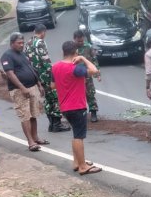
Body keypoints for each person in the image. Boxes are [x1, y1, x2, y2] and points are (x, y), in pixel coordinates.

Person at [52, 40, 103, 175]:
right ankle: (82, 166)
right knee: (79, 136)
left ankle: (77, 162)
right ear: (76, 52)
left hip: (64, 106)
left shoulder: (55, 67)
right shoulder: (76, 68)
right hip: (77, 105)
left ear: (63, 52)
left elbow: (52, 85)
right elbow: (94, 70)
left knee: (75, 133)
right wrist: (84, 58)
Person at [1, 33, 49, 152]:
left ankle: (36, 137)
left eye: (22, 43)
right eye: (19, 43)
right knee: (25, 115)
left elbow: (30, 68)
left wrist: (38, 83)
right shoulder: (7, 56)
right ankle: (30, 142)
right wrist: (22, 88)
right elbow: (10, 74)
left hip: (32, 87)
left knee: (34, 114)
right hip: (19, 90)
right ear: (12, 43)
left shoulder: (22, 54)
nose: (21, 45)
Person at [26, 24, 71, 133]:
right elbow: (45, 59)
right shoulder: (40, 42)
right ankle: (57, 124)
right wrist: (53, 72)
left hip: (35, 75)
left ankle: (51, 124)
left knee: (48, 98)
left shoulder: (29, 42)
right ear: (43, 32)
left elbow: (27, 59)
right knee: (55, 97)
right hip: (45, 74)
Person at [74, 30, 101, 122]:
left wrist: (97, 74)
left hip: (87, 73)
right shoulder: (72, 48)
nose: (81, 43)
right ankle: (81, 114)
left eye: (82, 41)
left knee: (90, 93)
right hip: (76, 75)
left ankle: (93, 112)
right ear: (74, 39)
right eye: (79, 41)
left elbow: (94, 60)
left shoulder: (88, 47)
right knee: (77, 95)